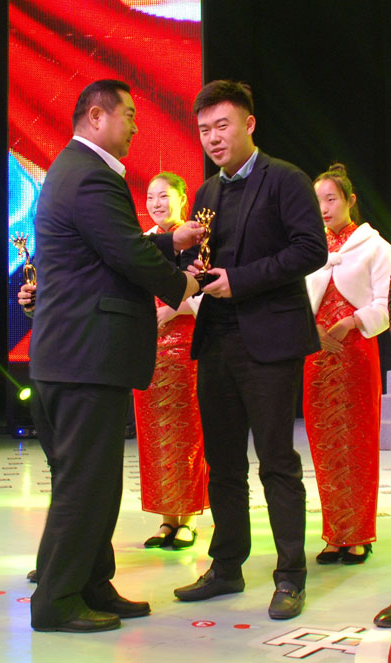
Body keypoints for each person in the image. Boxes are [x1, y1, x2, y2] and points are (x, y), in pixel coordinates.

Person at [26, 79, 201, 633]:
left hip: (73, 355)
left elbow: (107, 247)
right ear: (97, 116)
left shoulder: (74, 170)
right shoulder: (91, 175)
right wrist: (182, 284)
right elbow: (124, 252)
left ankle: (92, 583)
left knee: (94, 482)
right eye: (129, 115)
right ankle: (56, 601)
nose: (136, 126)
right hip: (84, 356)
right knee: (85, 484)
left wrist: (169, 243)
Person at [173, 79, 328, 620]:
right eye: (204, 130)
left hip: (270, 340)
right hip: (216, 338)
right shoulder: (206, 193)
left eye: (222, 126)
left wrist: (238, 281)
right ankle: (226, 567)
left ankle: (290, 576)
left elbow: (310, 250)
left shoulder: (285, 179)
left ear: (249, 124)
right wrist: (192, 268)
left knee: (277, 462)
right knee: (221, 462)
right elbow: (199, 258)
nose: (213, 139)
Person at [303, 164, 391, 566]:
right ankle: (334, 534)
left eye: (331, 199)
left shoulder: (376, 247)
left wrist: (351, 322)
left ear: (350, 200)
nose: (324, 208)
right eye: (318, 201)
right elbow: (297, 300)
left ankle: (358, 535)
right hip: (317, 356)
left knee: (357, 443)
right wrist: (311, 329)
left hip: (355, 354)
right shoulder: (309, 249)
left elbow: (383, 306)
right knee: (324, 446)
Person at [134, 172, 208, 550]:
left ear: (182, 198)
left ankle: (188, 517)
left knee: (188, 432)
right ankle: (166, 517)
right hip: (149, 348)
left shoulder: (197, 239)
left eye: (164, 196)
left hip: (186, 346)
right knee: (155, 436)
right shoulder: (143, 243)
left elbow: (208, 288)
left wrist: (175, 309)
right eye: (151, 197)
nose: (156, 203)